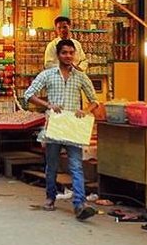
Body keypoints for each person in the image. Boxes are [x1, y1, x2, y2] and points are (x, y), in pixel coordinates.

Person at [24, 39, 99, 220]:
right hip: (55, 126)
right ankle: (50, 197)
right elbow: (28, 95)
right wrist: (48, 104)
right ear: (58, 55)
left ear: (75, 55)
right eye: (64, 53)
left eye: (71, 53)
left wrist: (86, 110)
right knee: (52, 166)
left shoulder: (80, 76)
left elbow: (95, 100)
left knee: (76, 166)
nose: (68, 56)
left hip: (72, 127)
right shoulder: (48, 74)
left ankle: (79, 204)